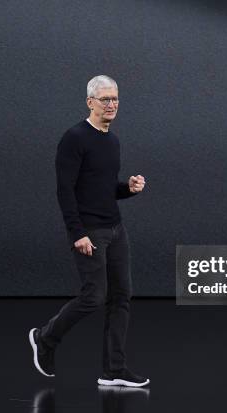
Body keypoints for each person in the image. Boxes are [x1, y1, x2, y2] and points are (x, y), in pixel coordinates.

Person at [29, 75, 149, 387]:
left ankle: (113, 370)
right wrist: (77, 233)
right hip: (90, 231)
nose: (111, 104)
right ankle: (44, 338)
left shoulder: (112, 140)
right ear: (90, 102)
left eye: (115, 99)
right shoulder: (74, 138)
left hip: (115, 229)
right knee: (94, 296)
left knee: (121, 296)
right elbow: (65, 190)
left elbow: (104, 189)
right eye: (105, 99)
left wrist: (128, 189)